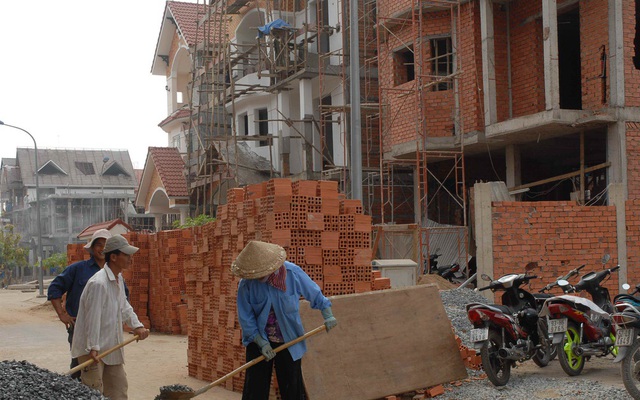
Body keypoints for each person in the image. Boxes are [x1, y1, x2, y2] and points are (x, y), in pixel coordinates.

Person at [232, 240, 338, 400]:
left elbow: (313, 292)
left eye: (261, 273)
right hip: (259, 340)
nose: (258, 277)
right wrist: (260, 341)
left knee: (291, 387)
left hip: (288, 339)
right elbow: (245, 317)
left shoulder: (292, 273)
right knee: (255, 388)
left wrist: (327, 313)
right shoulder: (246, 284)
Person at [71, 234, 149, 400]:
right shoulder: (98, 284)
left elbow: (124, 306)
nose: (130, 258)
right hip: (92, 351)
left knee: (118, 391)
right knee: (94, 394)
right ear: (113, 257)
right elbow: (93, 317)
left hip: (111, 347)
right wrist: (93, 347)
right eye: (126, 255)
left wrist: (137, 325)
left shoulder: (118, 278)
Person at [47, 228, 112, 379]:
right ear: (92, 248)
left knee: (105, 368)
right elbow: (54, 288)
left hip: (105, 329)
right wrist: (62, 314)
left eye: (106, 245)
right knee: (80, 367)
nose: (102, 248)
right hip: (80, 328)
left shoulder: (114, 273)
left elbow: (123, 300)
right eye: (99, 244)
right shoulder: (77, 269)